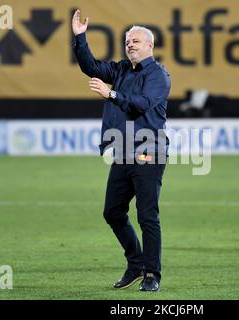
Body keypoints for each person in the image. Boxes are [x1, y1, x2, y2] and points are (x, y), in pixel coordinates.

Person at [72, 9, 171, 292]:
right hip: (123, 151)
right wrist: (80, 38)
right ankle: (136, 262)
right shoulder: (121, 70)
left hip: (149, 151)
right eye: (128, 41)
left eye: (136, 41)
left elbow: (141, 104)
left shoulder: (158, 75)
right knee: (113, 212)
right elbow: (90, 67)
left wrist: (111, 93)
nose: (130, 45)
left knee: (147, 214)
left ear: (150, 46)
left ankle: (152, 274)